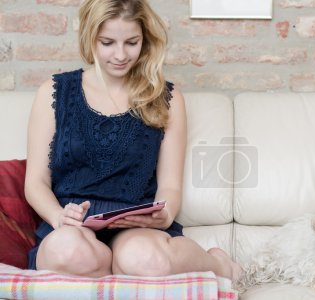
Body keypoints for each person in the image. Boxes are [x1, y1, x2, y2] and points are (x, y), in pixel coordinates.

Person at [25, 0, 241, 281]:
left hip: (137, 226)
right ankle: (115, 276)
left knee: (143, 259)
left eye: (131, 42)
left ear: (145, 40)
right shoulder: (53, 92)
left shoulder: (168, 99)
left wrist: (165, 214)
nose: (120, 55)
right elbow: (35, 182)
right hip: (73, 225)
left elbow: (170, 186)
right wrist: (58, 217)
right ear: (90, 38)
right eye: (107, 42)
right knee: (68, 252)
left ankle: (221, 266)